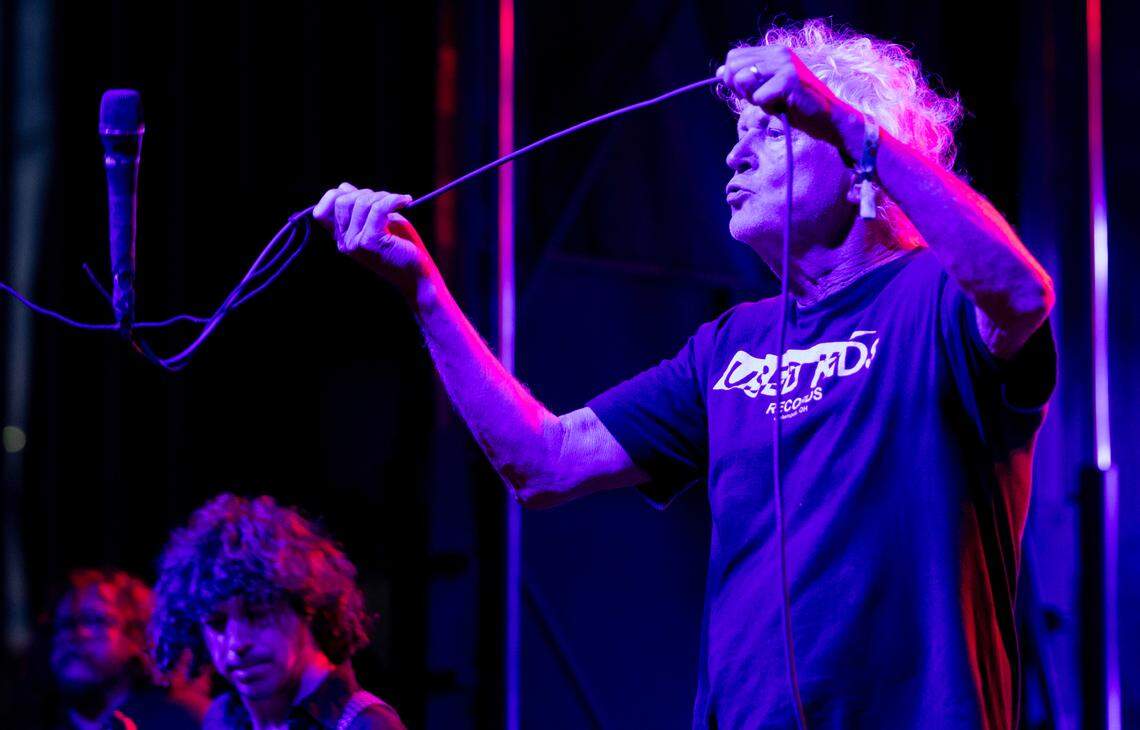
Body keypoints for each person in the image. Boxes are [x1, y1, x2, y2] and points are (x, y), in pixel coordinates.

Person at [313, 18, 1055, 730]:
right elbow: (545, 463)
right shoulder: (729, 345)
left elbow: (1023, 293)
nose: (735, 157)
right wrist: (422, 291)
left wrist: (855, 128)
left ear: (853, 150)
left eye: (773, 130)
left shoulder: (936, 300)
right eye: (739, 138)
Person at [150, 494, 406, 730]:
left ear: (307, 606)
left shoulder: (366, 726)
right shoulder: (222, 717)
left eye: (258, 614)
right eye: (217, 623)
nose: (236, 643)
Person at [49, 568, 204, 729]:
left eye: (96, 620)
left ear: (137, 638)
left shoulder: (181, 721)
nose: (76, 635)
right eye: (65, 624)